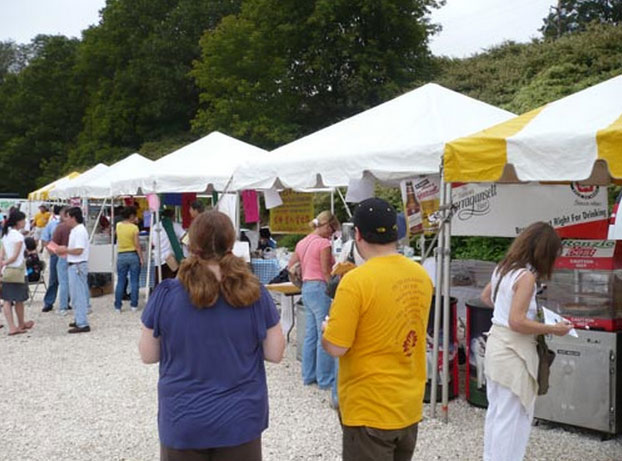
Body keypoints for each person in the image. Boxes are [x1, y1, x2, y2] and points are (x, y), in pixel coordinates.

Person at [139, 210, 285, 460]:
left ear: (192, 244)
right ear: (231, 244)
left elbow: (148, 355)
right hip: (240, 418)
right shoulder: (255, 294)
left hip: (183, 418)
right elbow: (275, 353)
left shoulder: (166, 294)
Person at [322, 198, 433, 461]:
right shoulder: (420, 275)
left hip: (369, 406)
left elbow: (337, 347)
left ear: (358, 234)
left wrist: (327, 329)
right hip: (408, 404)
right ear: (396, 232)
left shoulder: (355, 281)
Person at [479, 222, 573, 461]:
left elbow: (486, 297)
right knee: (512, 422)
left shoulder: (504, 268)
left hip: (496, 346)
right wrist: (552, 328)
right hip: (514, 353)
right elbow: (517, 321)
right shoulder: (527, 277)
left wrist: (506, 312)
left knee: (497, 413)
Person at [288, 210, 339, 390]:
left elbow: (291, 265)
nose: (332, 234)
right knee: (324, 334)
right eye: (332, 229)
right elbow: (326, 271)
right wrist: (334, 290)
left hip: (307, 288)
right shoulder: (324, 243)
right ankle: (325, 379)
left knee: (310, 334)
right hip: (320, 288)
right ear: (327, 226)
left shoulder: (303, 242)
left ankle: (308, 375)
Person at [56, 207, 91, 334]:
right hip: (74, 264)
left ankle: (82, 323)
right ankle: (78, 318)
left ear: (73, 218)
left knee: (79, 295)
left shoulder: (80, 231)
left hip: (78, 265)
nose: (65, 220)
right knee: (75, 295)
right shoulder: (75, 230)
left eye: (67, 217)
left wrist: (65, 250)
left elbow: (79, 250)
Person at [1, 211, 35, 336]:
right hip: (18, 270)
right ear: (18, 221)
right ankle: (20, 324)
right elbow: (15, 256)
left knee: (7, 299)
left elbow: (2, 253)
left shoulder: (5, 235)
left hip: (7, 271)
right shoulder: (18, 237)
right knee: (19, 299)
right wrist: (4, 262)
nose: (25, 222)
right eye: (23, 220)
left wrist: (3, 264)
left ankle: (12, 326)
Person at [114, 206, 143, 312]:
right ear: (131, 216)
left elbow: (116, 236)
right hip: (133, 255)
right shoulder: (134, 228)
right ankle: (134, 305)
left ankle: (118, 306)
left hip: (121, 255)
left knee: (121, 281)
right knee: (134, 281)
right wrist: (141, 257)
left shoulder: (118, 225)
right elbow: (137, 245)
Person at [150, 208, 185, 286]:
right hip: (171, 259)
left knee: (159, 283)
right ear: (172, 216)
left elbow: (152, 242)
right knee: (173, 284)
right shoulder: (175, 226)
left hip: (158, 259)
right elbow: (185, 238)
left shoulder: (155, 227)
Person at [41, 205, 62, 312]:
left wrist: (50, 250)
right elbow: (45, 239)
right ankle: (51, 301)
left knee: (54, 279)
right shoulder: (54, 224)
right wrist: (51, 251)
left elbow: (44, 239)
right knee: (56, 278)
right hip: (59, 253)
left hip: (59, 253)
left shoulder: (51, 224)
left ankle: (51, 302)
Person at [52, 207, 71, 316]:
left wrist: (56, 252)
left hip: (63, 256)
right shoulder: (77, 227)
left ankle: (63, 306)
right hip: (75, 256)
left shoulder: (60, 227)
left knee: (63, 282)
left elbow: (53, 244)